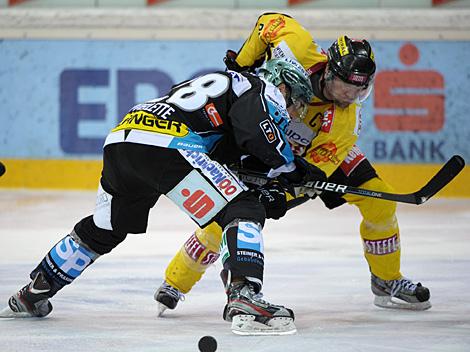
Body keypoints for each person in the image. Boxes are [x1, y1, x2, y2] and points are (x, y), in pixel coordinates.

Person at [0, 57, 324, 335]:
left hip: (123, 141)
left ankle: (34, 291)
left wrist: (274, 181)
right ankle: (245, 296)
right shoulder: (259, 86)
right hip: (168, 144)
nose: (293, 115)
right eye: (295, 104)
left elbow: (229, 153)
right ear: (284, 86)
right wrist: (293, 170)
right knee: (243, 208)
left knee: (106, 229)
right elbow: (257, 135)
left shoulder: (219, 85)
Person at [154, 12, 431, 316]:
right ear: (329, 71)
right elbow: (267, 22)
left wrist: (285, 190)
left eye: (360, 90)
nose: (351, 96)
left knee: (381, 202)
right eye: (345, 87)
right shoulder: (297, 46)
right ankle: (176, 281)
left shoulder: (344, 122)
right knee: (228, 216)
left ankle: (386, 279)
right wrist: (245, 61)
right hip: (258, 138)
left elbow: (313, 170)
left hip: (307, 157)